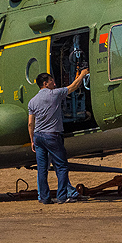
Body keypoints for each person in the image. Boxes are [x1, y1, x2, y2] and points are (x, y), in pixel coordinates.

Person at [28, 67, 88, 204]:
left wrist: (32, 139)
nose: (54, 84)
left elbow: (31, 123)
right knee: (61, 167)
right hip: (52, 136)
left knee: (42, 169)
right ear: (45, 84)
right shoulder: (55, 94)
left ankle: (44, 197)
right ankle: (62, 196)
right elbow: (73, 86)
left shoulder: (32, 101)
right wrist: (83, 74)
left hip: (38, 136)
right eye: (51, 81)